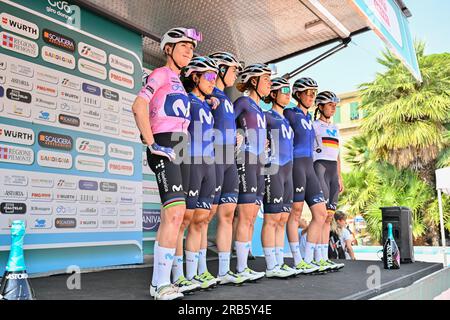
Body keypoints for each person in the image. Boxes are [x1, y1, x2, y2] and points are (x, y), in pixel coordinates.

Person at [132, 27, 202, 300]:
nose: (188, 51)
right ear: (168, 48)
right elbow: (139, 106)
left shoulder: (179, 82)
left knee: (176, 215)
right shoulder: (160, 74)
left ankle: (167, 280)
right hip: (165, 145)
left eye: (191, 48)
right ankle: (159, 284)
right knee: (174, 214)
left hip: (181, 148)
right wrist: (152, 143)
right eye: (183, 45)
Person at [170, 56, 220, 293]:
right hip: (190, 162)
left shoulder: (207, 103)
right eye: (209, 77)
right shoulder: (186, 100)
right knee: (184, 221)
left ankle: (196, 273)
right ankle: (178, 275)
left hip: (207, 164)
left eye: (215, 77)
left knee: (201, 220)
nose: (214, 81)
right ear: (194, 77)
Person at [284, 77, 332, 274]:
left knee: (321, 214)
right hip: (295, 166)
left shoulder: (308, 119)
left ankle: (311, 258)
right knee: (295, 213)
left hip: (310, 167)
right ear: (298, 94)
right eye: (308, 93)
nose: (312, 96)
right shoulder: (290, 113)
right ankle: (297, 260)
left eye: (314, 93)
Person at [205, 52, 246, 285]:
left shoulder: (227, 100)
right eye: (232, 70)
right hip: (213, 158)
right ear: (220, 70)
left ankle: (223, 271)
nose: (235, 75)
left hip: (230, 159)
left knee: (228, 214)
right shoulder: (210, 95)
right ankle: (196, 270)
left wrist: (238, 137)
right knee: (205, 215)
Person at [233, 63, 272, 281]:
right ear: (254, 81)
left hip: (259, 161)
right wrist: (236, 136)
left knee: (251, 215)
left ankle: (244, 263)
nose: (270, 84)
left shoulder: (260, 110)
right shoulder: (243, 101)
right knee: (246, 214)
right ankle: (240, 267)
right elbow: (227, 122)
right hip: (245, 158)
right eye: (266, 79)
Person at [261, 77, 296, 278]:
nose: (287, 94)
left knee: (283, 218)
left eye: (288, 90)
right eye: (283, 90)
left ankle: (279, 261)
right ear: (273, 94)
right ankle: (270, 264)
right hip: (272, 168)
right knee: (271, 218)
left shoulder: (286, 120)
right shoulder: (266, 115)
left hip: (288, 171)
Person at [312, 91, 345, 270]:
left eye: (334, 105)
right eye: (330, 105)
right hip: (320, 169)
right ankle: (314, 257)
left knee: (329, 217)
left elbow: (338, 154)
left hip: (333, 171)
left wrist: (340, 176)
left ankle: (323, 257)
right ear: (320, 106)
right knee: (321, 215)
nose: (333, 108)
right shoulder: (314, 125)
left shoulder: (336, 127)